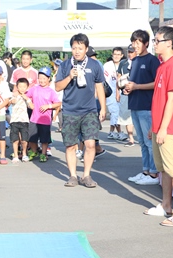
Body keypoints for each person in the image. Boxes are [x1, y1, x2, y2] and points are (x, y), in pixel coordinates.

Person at [145, 26, 173, 226]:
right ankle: (166, 205)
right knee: (164, 169)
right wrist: (154, 127)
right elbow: (159, 100)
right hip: (159, 127)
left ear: (169, 43)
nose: (154, 44)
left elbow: (172, 100)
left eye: (157, 40)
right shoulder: (162, 66)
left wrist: (163, 128)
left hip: (169, 128)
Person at [55, 33, 106, 188]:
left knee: (90, 144)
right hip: (70, 110)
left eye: (80, 48)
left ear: (86, 49)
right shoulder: (65, 65)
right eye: (74, 48)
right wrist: (70, 76)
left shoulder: (94, 65)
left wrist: (103, 107)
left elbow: (99, 86)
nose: (77, 51)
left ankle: (86, 175)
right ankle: (72, 176)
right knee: (70, 145)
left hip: (89, 110)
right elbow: (57, 87)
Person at [125, 30, 161, 185]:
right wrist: (128, 88)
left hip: (147, 106)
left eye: (138, 42)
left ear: (146, 43)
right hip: (135, 104)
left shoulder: (152, 60)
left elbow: (157, 83)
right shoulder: (136, 60)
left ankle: (153, 173)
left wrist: (137, 86)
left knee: (149, 141)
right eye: (134, 42)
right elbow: (135, 83)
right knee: (142, 141)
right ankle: (145, 170)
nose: (135, 45)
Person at [26, 67, 61, 162]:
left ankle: (43, 153)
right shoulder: (34, 89)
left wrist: (48, 106)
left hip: (45, 120)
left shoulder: (51, 91)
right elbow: (25, 95)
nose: (42, 80)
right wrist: (29, 102)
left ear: (48, 79)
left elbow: (58, 103)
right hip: (34, 118)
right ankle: (34, 151)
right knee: (32, 138)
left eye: (44, 78)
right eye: (40, 78)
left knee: (44, 139)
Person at [116, 45, 137, 147]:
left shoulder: (140, 62)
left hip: (138, 93)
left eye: (132, 52)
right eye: (129, 52)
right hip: (125, 93)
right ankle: (131, 138)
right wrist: (117, 93)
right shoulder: (123, 63)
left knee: (138, 116)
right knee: (126, 117)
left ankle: (142, 137)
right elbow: (118, 78)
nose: (130, 54)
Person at [104, 47, 125, 140]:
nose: (116, 56)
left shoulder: (124, 64)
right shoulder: (107, 65)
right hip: (110, 93)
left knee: (116, 113)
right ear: (112, 55)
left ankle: (111, 132)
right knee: (115, 112)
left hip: (122, 93)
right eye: (115, 54)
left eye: (118, 54)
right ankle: (120, 132)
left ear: (122, 55)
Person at [9, 78, 31, 164]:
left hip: (24, 120)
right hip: (14, 120)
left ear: (27, 87)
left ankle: (24, 153)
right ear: (17, 87)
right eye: (20, 86)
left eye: (24, 87)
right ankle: (15, 155)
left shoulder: (27, 96)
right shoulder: (13, 95)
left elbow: (32, 107)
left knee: (24, 139)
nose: (22, 88)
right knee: (15, 139)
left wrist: (27, 99)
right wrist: (11, 101)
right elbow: (8, 103)